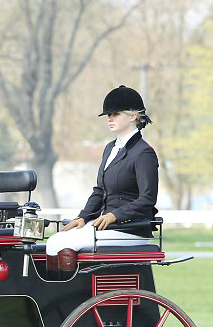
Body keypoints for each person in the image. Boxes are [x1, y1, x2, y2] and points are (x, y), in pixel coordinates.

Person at [45, 85, 158, 273]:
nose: (110, 119)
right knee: (54, 240)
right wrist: (83, 216)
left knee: (62, 243)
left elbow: (147, 199)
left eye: (115, 114)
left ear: (133, 116)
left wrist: (115, 215)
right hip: (106, 224)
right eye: (108, 115)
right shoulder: (110, 148)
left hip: (130, 228)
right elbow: (99, 190)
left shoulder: (144, 153)